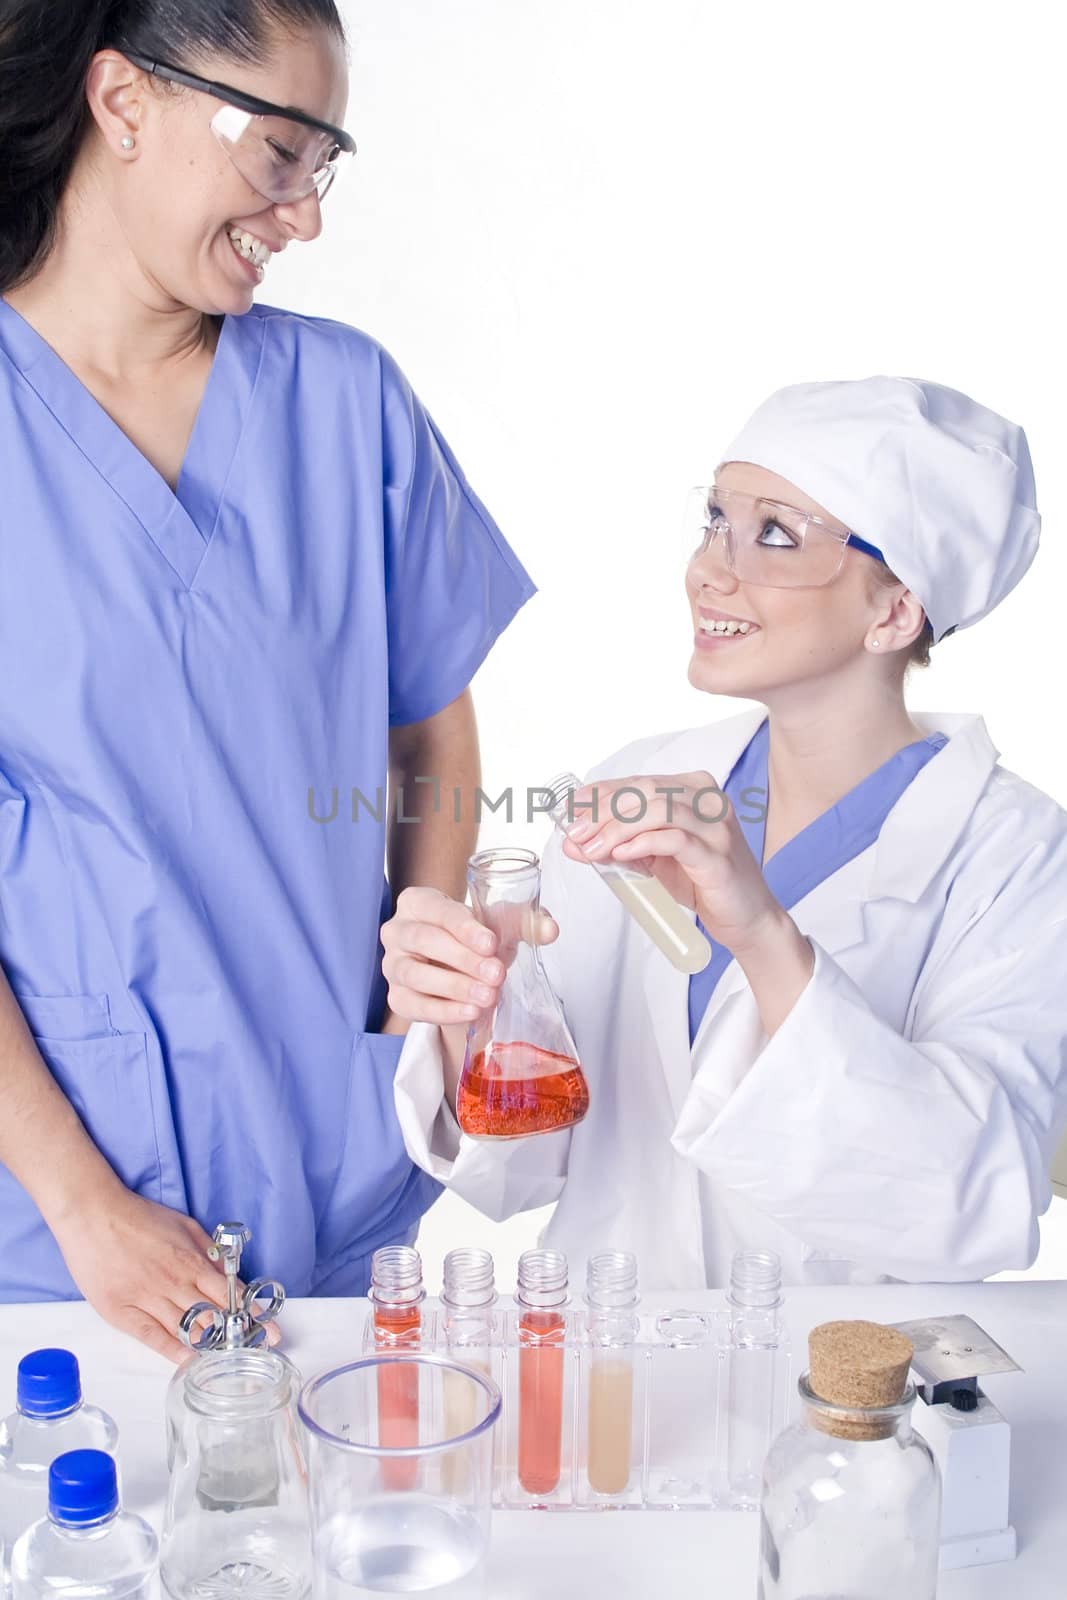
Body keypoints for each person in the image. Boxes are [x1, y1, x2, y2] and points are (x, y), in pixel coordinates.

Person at [0, 0, 534, 1354]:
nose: (303, 216)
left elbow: (430, 732)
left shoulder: (345, 405)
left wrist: (420, 953)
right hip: (61, 1223)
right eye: (280, 153)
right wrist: (81, 1205)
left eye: (324, 164)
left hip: (336, 1162)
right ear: (123, 103)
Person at [384, 376, 1067, 1287]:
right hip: (609, 1368)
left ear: (894, 611)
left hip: (841, 1387)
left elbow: (967, 1209)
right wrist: (479, 1004)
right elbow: (524, 1163)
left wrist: (762, 935)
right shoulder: (635, 785)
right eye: (715, 519)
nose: (706, 568)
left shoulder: (1013, 856)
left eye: (775, 534)